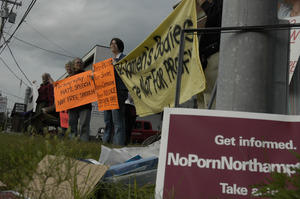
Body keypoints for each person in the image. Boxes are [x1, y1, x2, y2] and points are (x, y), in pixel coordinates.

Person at [197, 0, 223, 109]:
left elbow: (221, 18)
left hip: (215, 55)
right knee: (202, 102)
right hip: (204, 59)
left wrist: (204, 4)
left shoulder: (226, 5)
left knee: (212, 102)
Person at [102, 38, 128, 146]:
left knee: (117, 121)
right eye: (111, 44)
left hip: (118, 93)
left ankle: (118, 145)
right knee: (108, 121)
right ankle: (105, 144)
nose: (113, 45)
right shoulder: (109, 62)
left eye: (115, 44)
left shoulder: (124, 59)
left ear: (120, 46)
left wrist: (116, 66)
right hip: (108, 94)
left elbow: (127, 74)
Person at [67, 58, 92, 141]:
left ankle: (84, 142)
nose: (79, 64)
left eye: (81, 62)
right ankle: (72, 141)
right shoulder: (69, 78)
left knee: (84, 125)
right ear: (73, 65)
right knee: (72, 125)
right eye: (77, 63)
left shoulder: (88, 75)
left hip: (85, 105)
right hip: (72, 105)